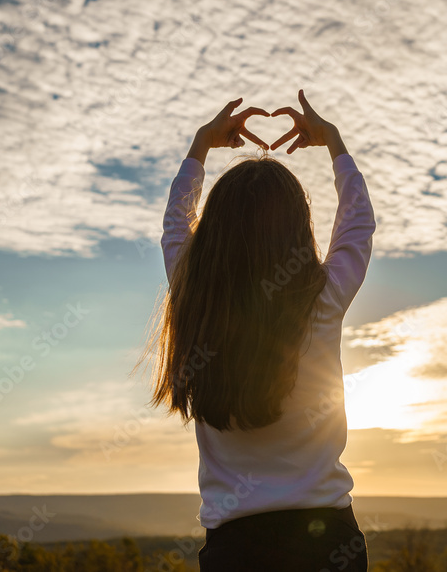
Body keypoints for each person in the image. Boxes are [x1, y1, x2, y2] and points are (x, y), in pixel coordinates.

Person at [141, 90, 375, 571]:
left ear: (215, 234)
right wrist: (334, 144)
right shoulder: (322, 302)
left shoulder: (196, 299)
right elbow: (358, 223)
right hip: (328, 543)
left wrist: (199, 148)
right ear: (297, 228)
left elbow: (173, 229)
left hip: (234, 550)